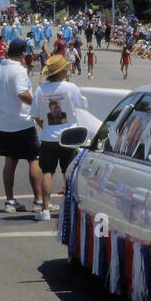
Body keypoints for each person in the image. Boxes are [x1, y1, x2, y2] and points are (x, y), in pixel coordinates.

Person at [0, 39, 40, 214]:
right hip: (22, 122)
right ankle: (38, 200)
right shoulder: (20, 71)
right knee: (34, 159)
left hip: (3, 124)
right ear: (22, 54)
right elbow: (22, 93)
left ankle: (9, 201)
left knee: (10, 162)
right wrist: (38, 106)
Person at [33, 55, 88, 222]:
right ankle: (70, 207)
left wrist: (46, 127)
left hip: (49, 137)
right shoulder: (71, 88)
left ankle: (45, 209)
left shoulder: (41, 89)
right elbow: (83, 105)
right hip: (69, 137)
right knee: (69, 172)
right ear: (61, 72)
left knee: (47, 172)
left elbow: (35, 115)